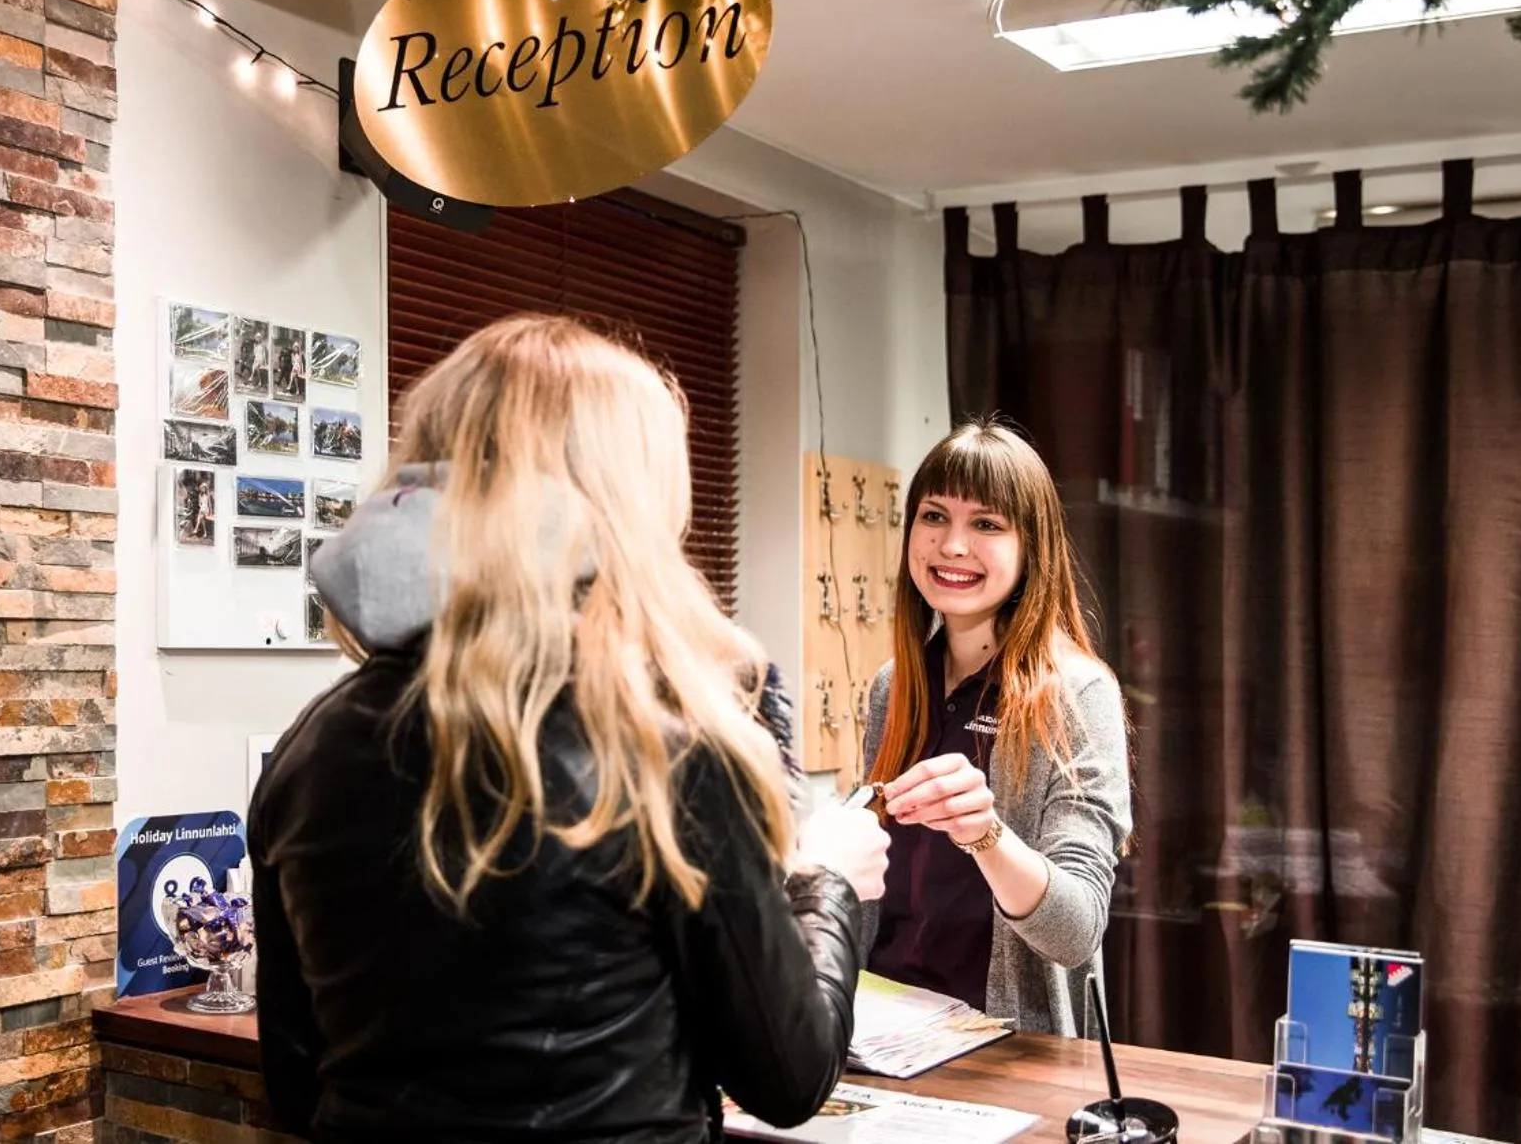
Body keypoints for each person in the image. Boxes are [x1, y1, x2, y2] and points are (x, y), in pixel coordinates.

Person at [250, 314, 890, 1142]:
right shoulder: (666, 753)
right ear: (623, 504)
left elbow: (296, 1082)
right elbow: (789, 1073)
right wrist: (823, 879)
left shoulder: (311, 747)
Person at [860, 419, 1132, 1036]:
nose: (952, 546)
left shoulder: (1076, 694)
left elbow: (1077, 929)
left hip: (1003, 1048)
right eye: (934, 517)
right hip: (877, 1033)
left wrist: (984, 833)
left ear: (1031, 545)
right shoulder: (893, 686)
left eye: (986, 525)